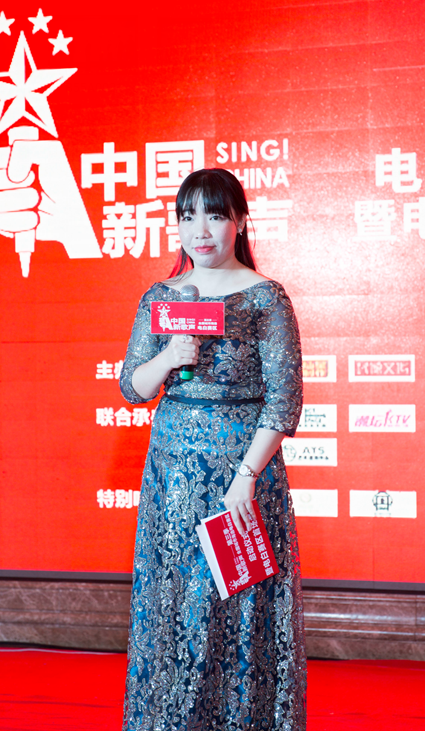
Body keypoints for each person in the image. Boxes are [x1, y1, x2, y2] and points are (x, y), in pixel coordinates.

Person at [119, 168, 306, 731]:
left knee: (237, 612)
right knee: (176, 606)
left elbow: (284, 400)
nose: (200, 230)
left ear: (240, 222)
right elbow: (133, 387)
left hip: (240, 482)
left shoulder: (265, 298)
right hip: (173, 480)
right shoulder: (162, 298)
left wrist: (247, 475)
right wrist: (170, 356)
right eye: (188, 216)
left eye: (216, 215)